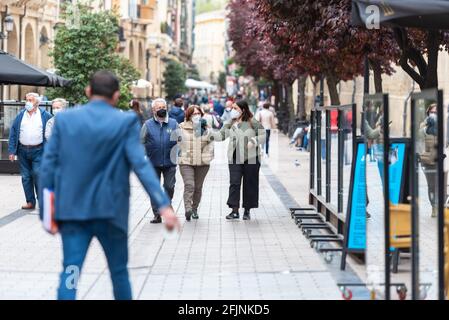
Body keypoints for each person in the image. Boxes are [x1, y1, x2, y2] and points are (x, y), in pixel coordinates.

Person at [39, 71, 179, 300]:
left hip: (73, 213)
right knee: (119, 272)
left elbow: (47, 168)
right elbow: (141, 165)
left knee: (70, 271)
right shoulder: (125, 122)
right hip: (112, 212)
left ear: (87, 91)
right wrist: (164, 204)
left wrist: (47, 214)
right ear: (116, 96)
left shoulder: (64, 120)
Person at [217, 100, 265, 221]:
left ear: (243, 110)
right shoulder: (230, 122)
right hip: (234, 157)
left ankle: (247, 210)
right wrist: (206, 133)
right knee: (234, 183)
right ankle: (234, 210)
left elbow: (263, 135)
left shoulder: (252, 121)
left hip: (251, 158)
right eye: (232, 108)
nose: (232, 110)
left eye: (235, 108)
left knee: (250, 184)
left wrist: (254, 141)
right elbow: (221, 135)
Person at [8, 92, 53, 210]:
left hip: (39, 150)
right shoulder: (20, 115)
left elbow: (51, 132)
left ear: (37, 103)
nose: (27, 102)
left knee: (38, 174)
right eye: (26, 100)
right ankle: (30, 202)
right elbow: (13, 133)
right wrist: (12, 151)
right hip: (22, 150)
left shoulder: (45, 115)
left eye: (31, 100)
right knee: (26, 177)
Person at [141, 98, 179, 224]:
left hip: (170, 162)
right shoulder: (147, 124)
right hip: (153, 162)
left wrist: (178, 153)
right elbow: (140, 142)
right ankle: (157, 214)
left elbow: (181, 140)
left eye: (163, 107)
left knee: (169, 186)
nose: (162, 109)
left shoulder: (173, 123)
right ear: (153, 110)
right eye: (159, 108)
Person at [178, 105, 214, 221]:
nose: (196, 116)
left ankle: (194, 209)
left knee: (198, 187)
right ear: (188, 115)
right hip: (186, 161)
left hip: (202, 163)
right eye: (194, 114)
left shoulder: (206, 128)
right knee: (190, 185)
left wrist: (207, 157)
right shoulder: (181, 127)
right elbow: (176, 142)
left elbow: (211, 144)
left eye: (198, 113)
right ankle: (187, 209)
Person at [419, 104, 438, 217]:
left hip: (440, 159)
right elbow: (419, 137)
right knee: (431, 185)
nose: (434, 114)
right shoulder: (424, 124)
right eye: (432, 112)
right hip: (427, 160)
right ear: (428, 112)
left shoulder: (443, 125)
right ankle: (434, 207)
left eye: (436, 112)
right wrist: (426, 127)